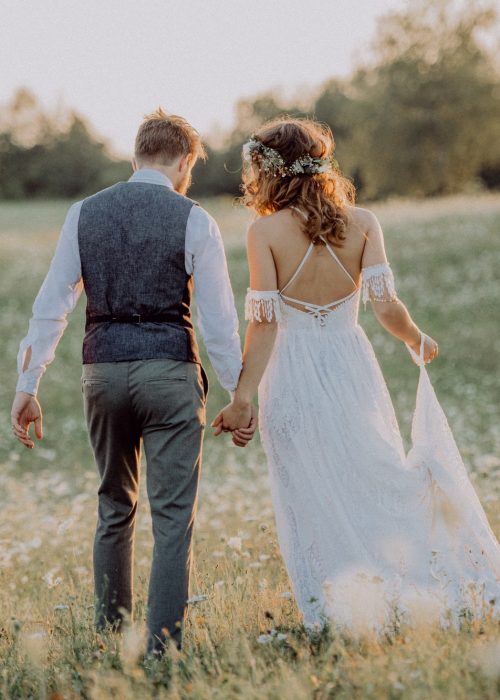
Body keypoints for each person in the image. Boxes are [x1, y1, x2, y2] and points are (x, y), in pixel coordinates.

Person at [214, 117, 500, 634]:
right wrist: (416, 337)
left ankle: (337, 609)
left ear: (270, 172)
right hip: (350, 363)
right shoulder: (364, 222)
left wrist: (244, 397)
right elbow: (386, 306)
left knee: (311, 489)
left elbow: (264, 324)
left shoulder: (264, 233)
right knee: (372, 469)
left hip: (293, 374)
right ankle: (400, 586)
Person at [11, 108, 256, 657]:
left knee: (113, 504)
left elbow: (52, 305)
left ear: (136, 155)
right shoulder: (194, 218)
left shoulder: (83, 213)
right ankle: (162, 650)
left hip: (102, 372)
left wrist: (29, 383)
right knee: (172, 517)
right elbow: (218, 321)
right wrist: (239, 392)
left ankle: (109, 642)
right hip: (170, 372)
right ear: (185, 161)